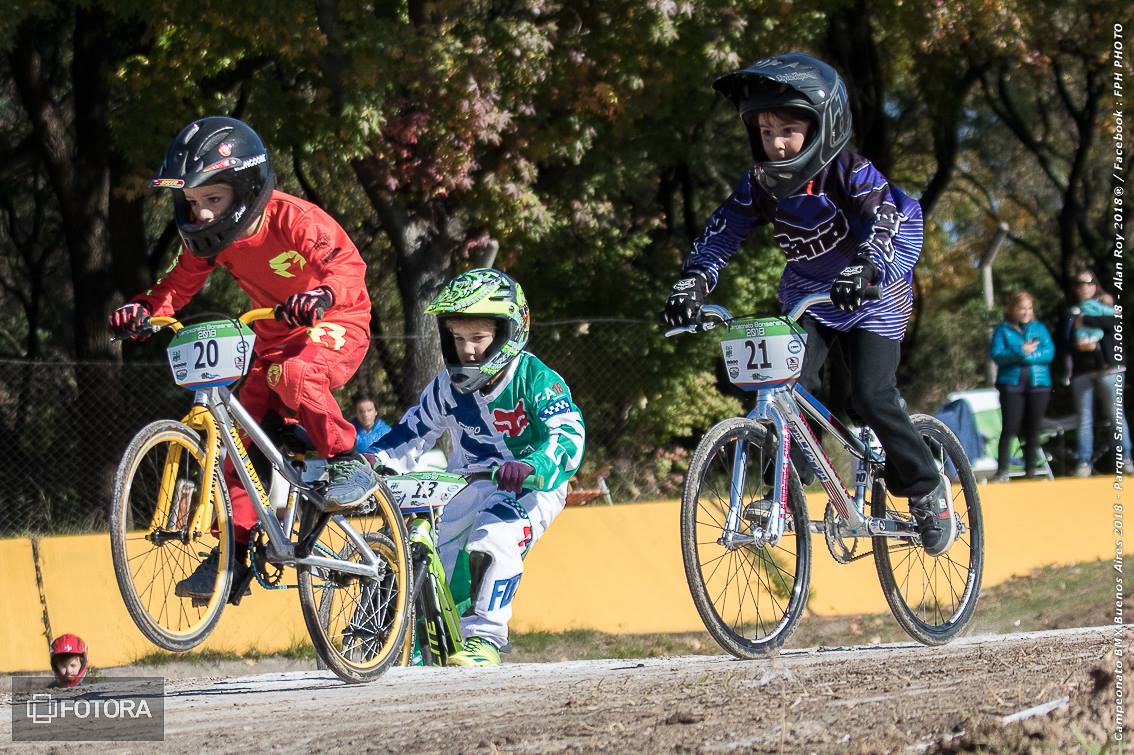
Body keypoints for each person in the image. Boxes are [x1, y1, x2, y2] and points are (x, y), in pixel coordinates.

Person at [662, 51, 957, 556]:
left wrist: (866, 269)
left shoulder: (850, 172)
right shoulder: (762, 182)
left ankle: (928, 491)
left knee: (869, 396)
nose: (776, 143)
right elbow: (723, 231)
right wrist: (694, 280)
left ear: (823, 125)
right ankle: (786, 487)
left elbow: (884, 222)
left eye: (789, 130)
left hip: (875, 287)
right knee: (784, 383)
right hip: (810, 293)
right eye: (765, 130)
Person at [107, 116, 379, 599]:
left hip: (336, 322)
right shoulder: (212, 242)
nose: (203, 215)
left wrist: (320, 296)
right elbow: (176, 286)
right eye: (193, 203)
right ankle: (232, 557)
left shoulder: (294, 218)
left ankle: (347, 460)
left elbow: (347, 267)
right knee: (236, 443)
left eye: (213, 200)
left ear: (246, 188)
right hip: (272, 341)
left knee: (296, 374)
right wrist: (143, 310)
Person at [366, 268, 585, 666]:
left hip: (531, 485)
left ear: (508, 332)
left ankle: (485, 639)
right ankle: (416, 642)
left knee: (494, 538)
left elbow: (568, 435)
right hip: (466, 480)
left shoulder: (536, 378)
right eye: (458, 339)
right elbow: (412, 432)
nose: (468, 350)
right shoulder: (445, 386)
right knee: (432, 548)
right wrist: (374, 460)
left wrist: (533, 463)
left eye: (479, 339)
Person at [1061, 271, 1132, 476]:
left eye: (1088, 283)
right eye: (1079, 284)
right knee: (1085, 418)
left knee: (1116, 415)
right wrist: (1078, 344)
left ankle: (1125, 457)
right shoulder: (1070, 312)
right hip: (1083, 371)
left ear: (1095, 286)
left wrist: (1086, 320)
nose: (1083, 287)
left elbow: (1114, 324)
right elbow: (1063, 341)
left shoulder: (1106, 307)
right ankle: (1084, 461)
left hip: (1110, 369)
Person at [988, 291, 1055, 480]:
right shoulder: (1002, 330)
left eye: (1029, 308)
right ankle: (1002, 471)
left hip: (1039, 383)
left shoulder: (1039, 328)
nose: (1026, 312)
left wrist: (1025, 355)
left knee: (1033, 428)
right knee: (1010, 427)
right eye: (1021, 308)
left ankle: (1031, 471)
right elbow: (997, 355)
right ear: (1012, 309)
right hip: (1011, 384)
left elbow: (1048, 353)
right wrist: (1020, 351)